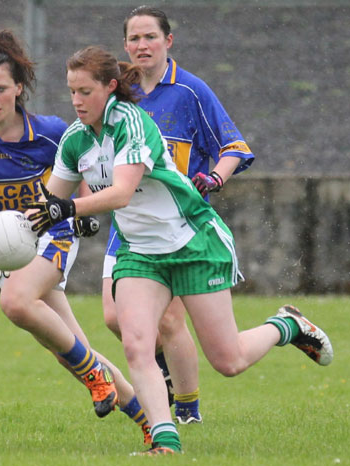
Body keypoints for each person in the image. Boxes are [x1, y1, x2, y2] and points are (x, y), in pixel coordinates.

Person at [26, 45, 333, 456]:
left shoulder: (131, 123)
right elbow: (51, 201)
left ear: (111, 87)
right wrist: (14, 233)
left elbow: (121, 193)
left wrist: (67, 208)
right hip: (140, 253)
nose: (77, 101)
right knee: (137, 344)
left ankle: (288, 326)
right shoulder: (75, 140)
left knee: (229, 360)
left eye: (85, 91)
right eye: (71, 92)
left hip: (192, 242)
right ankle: (165, 440)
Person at [0, 30, 152, 445]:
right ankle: (147, 422)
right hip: (3, 252)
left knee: (15, 302)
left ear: (18, 87)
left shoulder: (50, 132)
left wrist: (83, 211)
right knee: (71, 348)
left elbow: (80, 172)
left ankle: (95, 379)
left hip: (52, 236)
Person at [99, 5, 256, 425]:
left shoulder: (190, 91)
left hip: (177, 225)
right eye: (134, 38)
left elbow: (234, 147)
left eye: (150, 37)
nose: (142, 45)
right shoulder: (119, 93)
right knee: (115, 316)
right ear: (125, 45)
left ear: (168, 41)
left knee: (169, 322)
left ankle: (185, 410)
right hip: (129, 223)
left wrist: (215, 180)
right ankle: (165, 379)